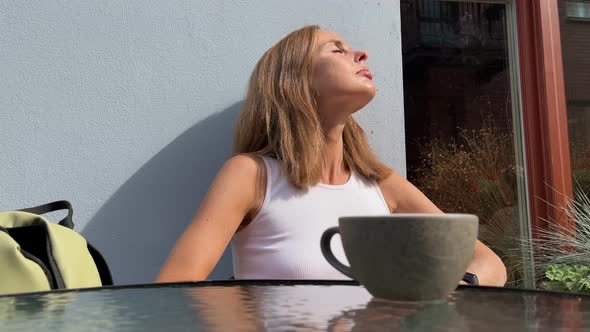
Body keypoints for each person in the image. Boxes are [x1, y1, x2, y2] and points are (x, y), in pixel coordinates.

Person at [156, 25, 507, 286]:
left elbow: (486, 261)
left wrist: (447, 292)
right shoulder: (251, 175)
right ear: (294, 81)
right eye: (336, 50)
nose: (361, 55)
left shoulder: (381, 184)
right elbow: (174, 288)